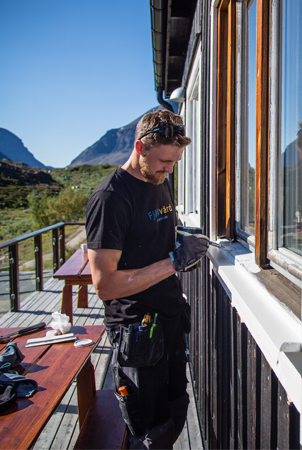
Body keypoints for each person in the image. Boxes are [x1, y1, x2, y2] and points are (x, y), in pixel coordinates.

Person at [85, 109, 209, 448]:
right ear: (140, 147)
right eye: (163, 161)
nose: (168, 170)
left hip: (168, 319)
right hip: (137, 333)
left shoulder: (160, 181)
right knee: (150, 431)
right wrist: (174, 262)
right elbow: (105, 285)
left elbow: (153, 236)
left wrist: (181, 241)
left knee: (176, 409)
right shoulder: (110, 199)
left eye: (174, 163)